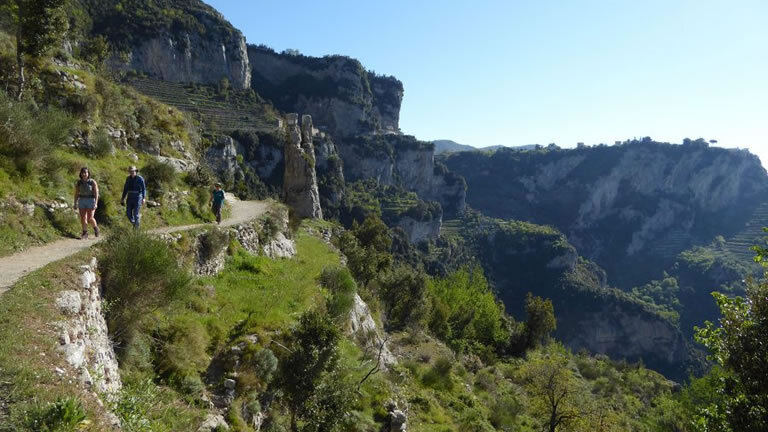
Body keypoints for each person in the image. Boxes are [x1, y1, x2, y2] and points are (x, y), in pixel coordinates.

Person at [73, 167, 99, 239]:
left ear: (88, 173)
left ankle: (96, 228)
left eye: (86, 173)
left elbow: (96, 193)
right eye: (83, 173)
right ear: (81, 174)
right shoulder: (79, 182)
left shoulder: (92, 182)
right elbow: (76, 193)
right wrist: (75, 203)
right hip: (82, 200)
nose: (84, 174)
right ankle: (85, 233)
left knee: (90, 218)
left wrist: (96, 203)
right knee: (83, 217)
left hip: (91, 200)